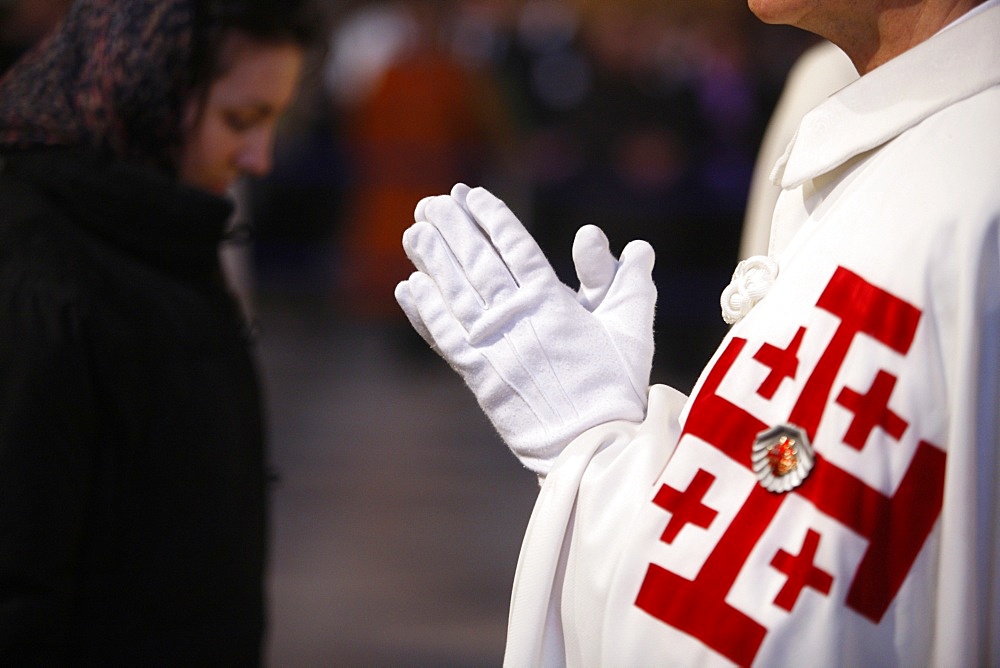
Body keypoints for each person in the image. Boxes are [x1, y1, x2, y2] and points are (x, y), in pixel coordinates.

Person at [395, 0, 1000, 664]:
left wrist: (587, 443)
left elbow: (782, 625)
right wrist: (637, 440)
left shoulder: (972, 184)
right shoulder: (863, 106)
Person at [0, 0, 322, 662]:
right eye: (242, 120)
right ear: (148, 85)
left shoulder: (164, 231)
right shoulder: (37, 273)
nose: (259, 157)